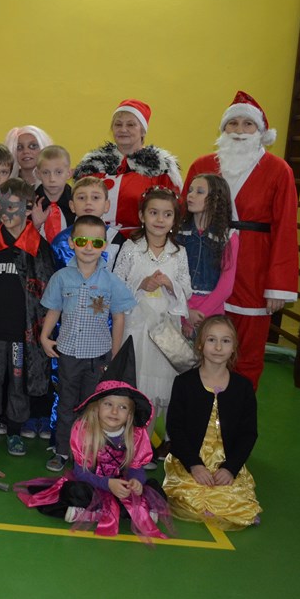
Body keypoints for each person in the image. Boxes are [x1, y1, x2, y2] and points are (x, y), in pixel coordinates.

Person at [183, 91, 298, 389]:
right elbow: (183, 219)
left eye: (247, 124)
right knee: (197, 345)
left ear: (260, 131)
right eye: (232, 123)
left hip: (254, 271)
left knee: (246, 351)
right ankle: (197, 407)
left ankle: (237, 409)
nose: (239, 130)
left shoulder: (278, 170)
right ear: (223, 129)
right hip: (204, 270)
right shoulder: (201, 166)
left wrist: (278, 285)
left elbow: (285, 228)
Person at [16, 375, 171, 540]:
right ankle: (111, 511)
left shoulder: (135, 435)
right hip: (92, 483)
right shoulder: (85, 431)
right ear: (96, 408)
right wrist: (107, 484)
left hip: (120, 486)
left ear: (130, 414)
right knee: (73, 491)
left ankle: (102, 511)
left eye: (122, 407)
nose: (114, 411)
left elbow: (135, 467)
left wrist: (136, 482)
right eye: (108, 404)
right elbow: (81, 473)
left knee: (154, 489)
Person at [40, 215, 137, 473]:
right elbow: (54, 309)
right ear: (72, 243)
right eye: (82, 241)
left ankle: (87, 452)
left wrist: (115, 354)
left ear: (104, 246)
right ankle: (62, 450)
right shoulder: (61, 277)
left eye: (96, 242)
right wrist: (44, 336)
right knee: (66, 404)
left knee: (93, 407)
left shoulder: (111, 281)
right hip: (69, 354)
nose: (89, 247)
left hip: (98, 356)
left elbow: (119, 317)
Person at [0, 180, 56, 456]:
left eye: (12, 207)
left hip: (22, 332)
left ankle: (15, 431)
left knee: (18, 382)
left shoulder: (38, 247)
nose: (5, 213)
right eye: (0, 206)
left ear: (28, 209)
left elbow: (46, 291)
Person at [164, 315, 261, 530]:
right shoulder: (184, 383)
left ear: (234, 347)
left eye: (225, 341)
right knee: (192, 495)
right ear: (200, 344)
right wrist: (194, 465)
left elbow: (248, 433)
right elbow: (175, 428)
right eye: (211, 340)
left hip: (225, 461)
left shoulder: (243, 387)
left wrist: (230, 468)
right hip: (190, 460)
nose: (218, 347)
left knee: (233, 498)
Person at [112, 187, 191, 448]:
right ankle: (134, 443)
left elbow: (187, 289)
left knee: (162, 387)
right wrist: (140, 284)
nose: (160, 219)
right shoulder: (131, 248)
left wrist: (170, 285)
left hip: (166, 329)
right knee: (139, 382)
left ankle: (160, 442)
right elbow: (117, 284)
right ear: (142, 216)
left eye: (167, 214)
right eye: (154, 213)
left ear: (174, 219)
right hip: (136, 327)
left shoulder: (178, 252)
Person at [74, 98, 182, 235]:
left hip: (140, 241)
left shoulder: (161, 168)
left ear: (143, 131)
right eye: (118, 124)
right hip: (92, 241)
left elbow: (174, 212)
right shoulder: (92, 165)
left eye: (131, 125)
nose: (123, 129)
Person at [178, 173, 239, 333]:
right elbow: (171, 276)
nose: (191, 195)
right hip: (178, 309)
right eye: (190, 190)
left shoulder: (228, 236)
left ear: (216, 199)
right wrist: (185, 312)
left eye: (199, 192)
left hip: (211, 314)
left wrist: (199, 316)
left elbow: (226, 286)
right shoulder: (178, 231)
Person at [49, 176, 122, 271]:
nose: (88, 202)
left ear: (106, 205)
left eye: (95, 197)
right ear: (72, 205)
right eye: (81, 198)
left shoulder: (117, 239)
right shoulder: (60, 242)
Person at [30, 145, 74, 244]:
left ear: (69, 173)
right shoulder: (29, 203)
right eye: (46, 173)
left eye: (58, 172)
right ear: (38, 174)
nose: (52, 179)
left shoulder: (78, 202)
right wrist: (35, 226)